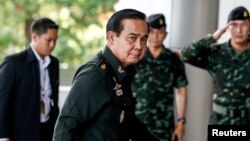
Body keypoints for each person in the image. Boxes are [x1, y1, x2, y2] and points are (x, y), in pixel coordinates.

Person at [53, 9, 160, 141]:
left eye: (144, 39)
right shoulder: (95, 75)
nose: (139, 46)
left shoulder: (124, 70)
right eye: (132, 38)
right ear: (111, 38)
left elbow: (130, 123)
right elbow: (65, 128)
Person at [181, 6, 250, 125]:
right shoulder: (216, 52)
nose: (239, 30)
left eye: (243, 25)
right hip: (220, 121)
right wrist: (213, 37)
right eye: (234, 25)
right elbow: (186, 55)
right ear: (227, 27)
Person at [0, 17, 60, 141]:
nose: (52, 45)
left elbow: (53, 100)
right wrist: (3, 136)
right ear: (34, 37)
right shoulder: (14, 63)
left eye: (55, 40)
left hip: (48, 132)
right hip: (21, 133)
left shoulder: (54, 64)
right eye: (48, 40)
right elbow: (2, 101)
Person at [133, 14, 188, 141]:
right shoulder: (135, 56)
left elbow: (181, 91)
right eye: (151, 31)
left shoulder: (174, 59)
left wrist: (181, 122)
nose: (155, 36)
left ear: (166, 34)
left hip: (164, 125)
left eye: (160, 32)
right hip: (136, 122)